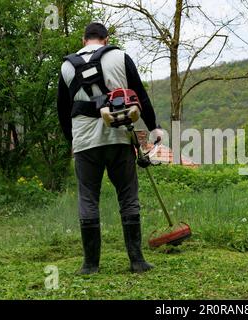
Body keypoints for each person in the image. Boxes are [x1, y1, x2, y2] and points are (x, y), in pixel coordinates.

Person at [56, 22, 163, 274]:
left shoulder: (66, 66)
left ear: (84, 40)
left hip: (84, 142)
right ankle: (137, 261)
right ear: (106, 39)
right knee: (127, 196)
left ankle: (90, 265)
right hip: (118, 138)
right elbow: (140, 95)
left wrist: (71, 141)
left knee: (88, 198)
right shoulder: (120, 56)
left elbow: (62, 109)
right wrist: (154, 127)